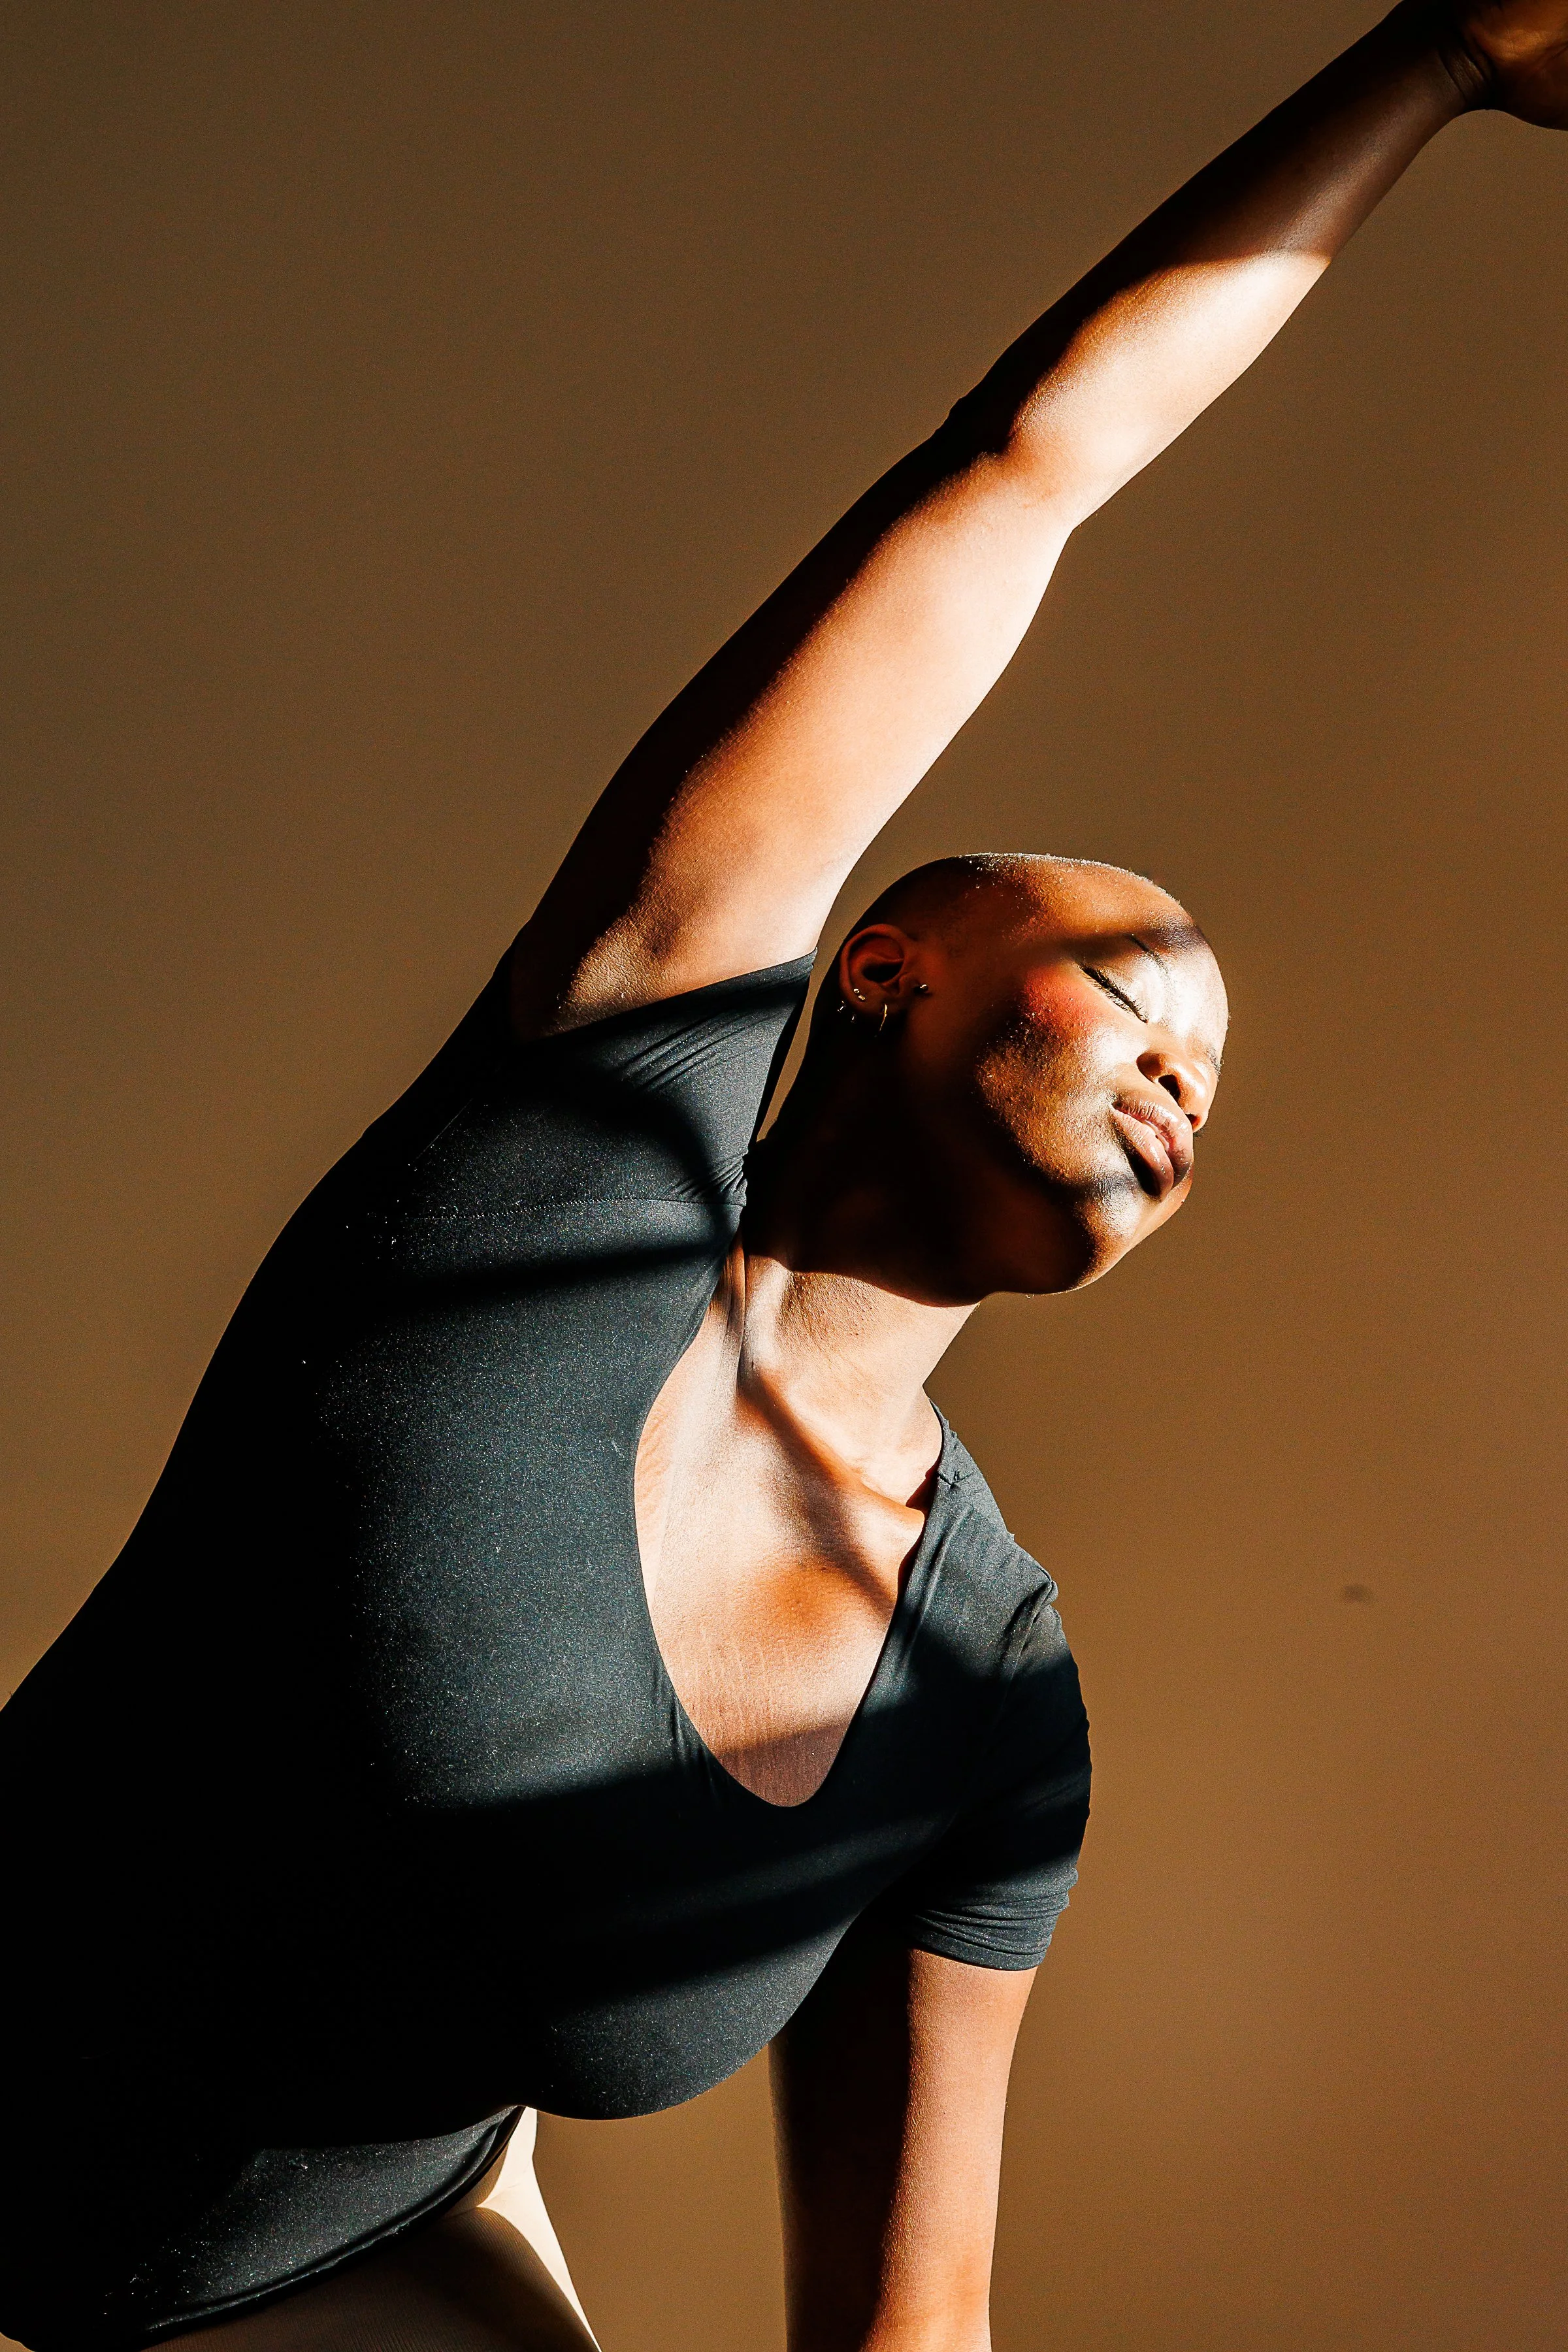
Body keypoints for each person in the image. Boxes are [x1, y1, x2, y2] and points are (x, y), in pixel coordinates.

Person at [3, 4, 1563, 2347]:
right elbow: (1028, 471)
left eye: (1217, 1079)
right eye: (1141, 993)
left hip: (325, 2280)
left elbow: (906, 2325)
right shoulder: (574, 1155)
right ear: (881, 969)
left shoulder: (988, 1695)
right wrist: (1441, 57)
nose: (1186, 1081)